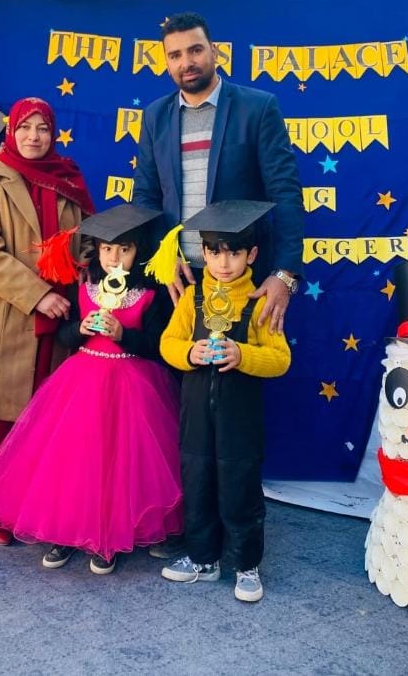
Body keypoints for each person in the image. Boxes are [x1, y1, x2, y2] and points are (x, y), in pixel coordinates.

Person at [0, 204, 183, 574]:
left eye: (125, 250)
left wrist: (123, 334)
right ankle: (64, 531)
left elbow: (157, 345)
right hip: (81, 383)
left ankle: (108, 536)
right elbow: (64, 334)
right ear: (97, 251)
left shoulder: (150, 294)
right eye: (107, 249)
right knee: (73, 459)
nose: (115, 258)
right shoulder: (84, 287)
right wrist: (80, 330)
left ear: (139, 252)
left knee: (118, 463)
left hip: (132, 386)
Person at [0, 97, 94, 546]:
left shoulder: (67, 180)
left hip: (59, 322)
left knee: (45, 421)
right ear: (11, 130)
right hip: (4, 315)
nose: (34, 136)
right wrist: (38, 295)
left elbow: (87, 245)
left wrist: (92, 280)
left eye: (42, 128)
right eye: (25, 127)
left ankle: (33, 506)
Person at [133, 11, 304, 334]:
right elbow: (146, 195)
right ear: (166, 62)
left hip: (244, 281)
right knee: (174, 366)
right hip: (179, 281)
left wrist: (284, 274)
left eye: (195, 50)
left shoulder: (258, 107)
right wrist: (163, 257)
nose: (186, 62)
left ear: (214, 51)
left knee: (243, 366)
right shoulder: (155, 116)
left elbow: (285, 193)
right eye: (175, 55)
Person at [158, 201, 291, 602]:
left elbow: (281, 359)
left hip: (240, 416)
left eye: (234, 253)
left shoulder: (259, 301)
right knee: (197, 481)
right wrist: (189, 353)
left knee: (239, 487)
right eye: (215, 252)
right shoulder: (193, 297)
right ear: (203, 253)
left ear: (251, 254)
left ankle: (246, 564)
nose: (224, 262)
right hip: (196, 412)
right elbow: (168, 342)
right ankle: (204, 559)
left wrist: (242, 355)